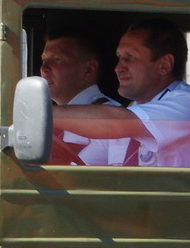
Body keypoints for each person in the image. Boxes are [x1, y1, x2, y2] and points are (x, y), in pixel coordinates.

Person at [53, 18, 190, 168]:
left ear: (164, 65)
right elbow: (84, 171)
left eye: (130, 58)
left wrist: (40, 114)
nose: (118, 68)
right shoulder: (129, 115)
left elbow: (114, 124)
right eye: (119, 57)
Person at [36, 30, 128, 165]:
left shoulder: (113, 121)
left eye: (57, 60)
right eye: (44, 60)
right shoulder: (46, 120)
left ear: (88, 70)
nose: (44, 68)